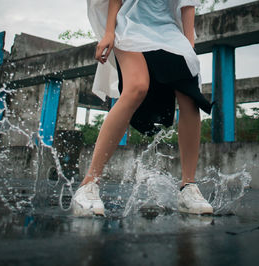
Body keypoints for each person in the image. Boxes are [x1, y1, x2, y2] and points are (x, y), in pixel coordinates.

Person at [72, 0, 214, 216]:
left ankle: (188, 187)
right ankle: (89, 184)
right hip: (129, 25)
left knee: (190, 96)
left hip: (168, 31)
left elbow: (188, 4)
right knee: (137, 87)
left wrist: (189, 47)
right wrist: (109, 32)